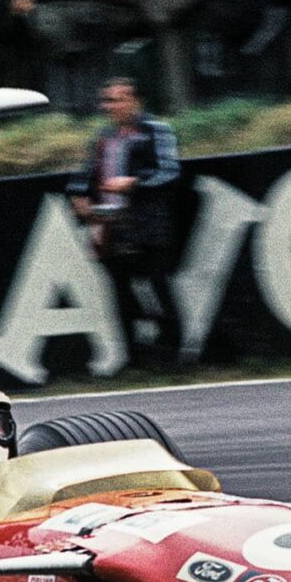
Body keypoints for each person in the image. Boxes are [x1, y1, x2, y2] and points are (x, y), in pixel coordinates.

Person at [66, 77, 183, 369]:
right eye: (108, 100)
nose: (112, 106)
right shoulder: (103, 138)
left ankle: (173, 354)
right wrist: (79, 196)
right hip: (112, 225)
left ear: (134, 101)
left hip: (147, 222)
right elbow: (83, 176)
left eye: (118, 99)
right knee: (121, 293)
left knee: (158, 286)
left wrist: (134, 183)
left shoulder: (156, 131)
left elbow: (169, 173)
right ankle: (133, 357)